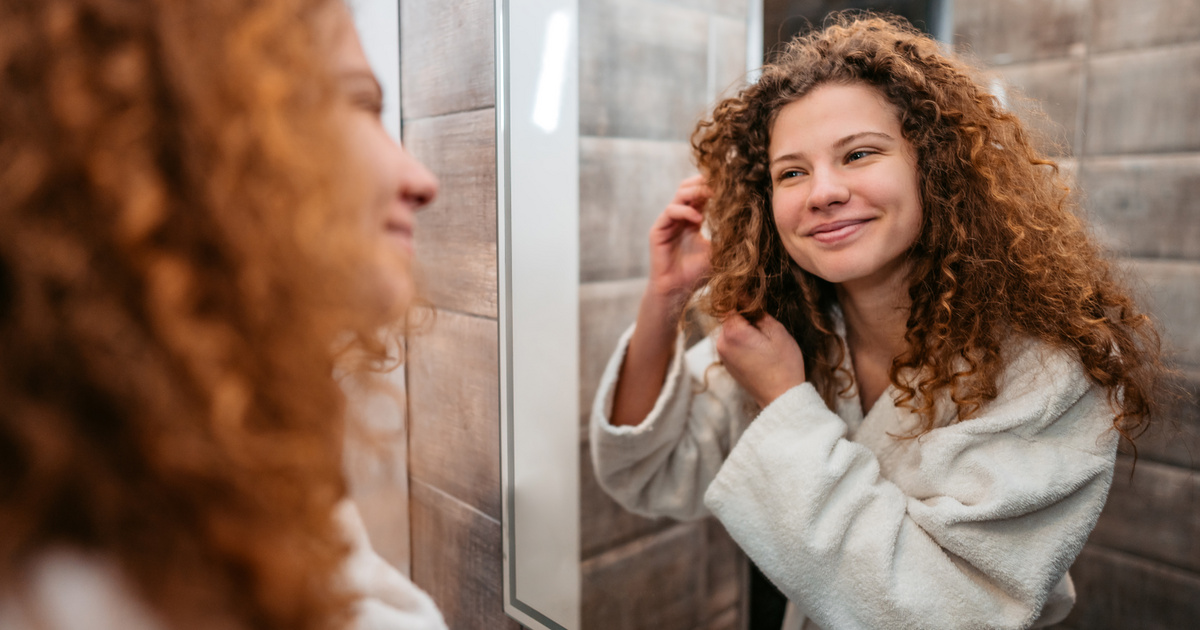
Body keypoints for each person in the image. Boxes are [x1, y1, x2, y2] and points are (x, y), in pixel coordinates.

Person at [590, 14, 1166, 630]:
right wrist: (667, 296)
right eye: (792, 172)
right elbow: (646, 473)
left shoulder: (1044, 370)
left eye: (859, 154)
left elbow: (954, 614)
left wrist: (784, 402)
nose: (823, 192)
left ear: (936, 166)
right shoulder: (800, 330)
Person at [0, 0, 444, 628]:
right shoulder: (93, 590)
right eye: (361, 104)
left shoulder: (207, 463)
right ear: (207, 140)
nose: (422, 178)